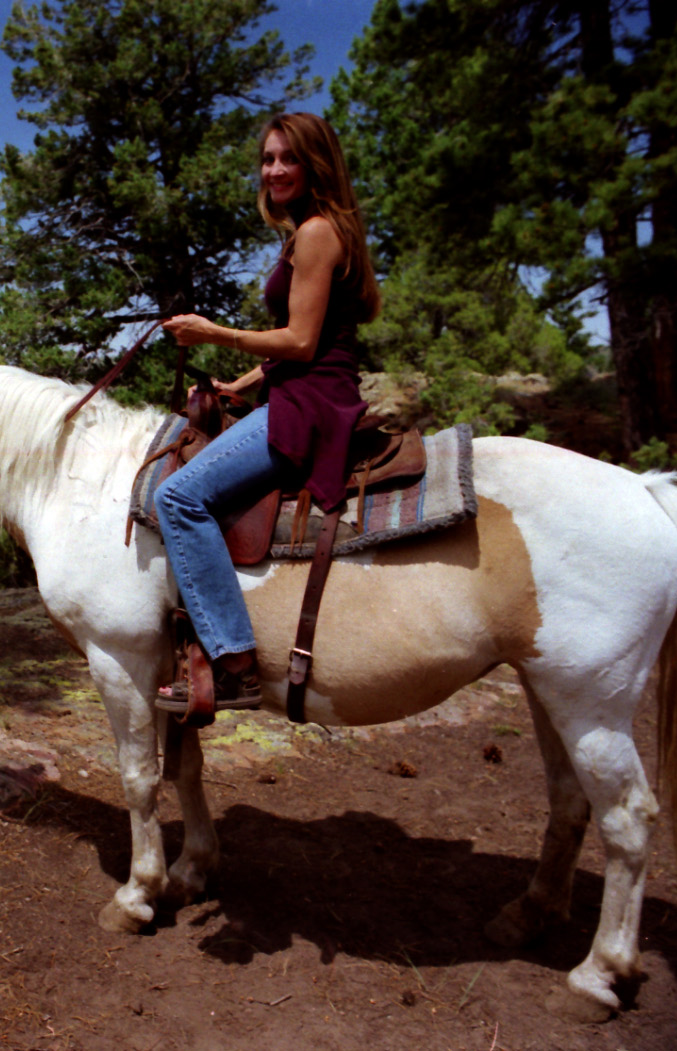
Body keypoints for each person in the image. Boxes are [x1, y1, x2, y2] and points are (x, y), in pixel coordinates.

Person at [154, 112, 381, 711]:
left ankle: (233, 663)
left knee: (177, 499)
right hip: (302, 389)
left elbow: (301, 342)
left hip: (308, 404)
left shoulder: (317, 233)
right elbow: (313, 341)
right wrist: (242, 382)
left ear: (316, 164)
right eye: (268, 158)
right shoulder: (316, 229)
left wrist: (213, 333)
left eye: (289, 158)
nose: (274, 170)